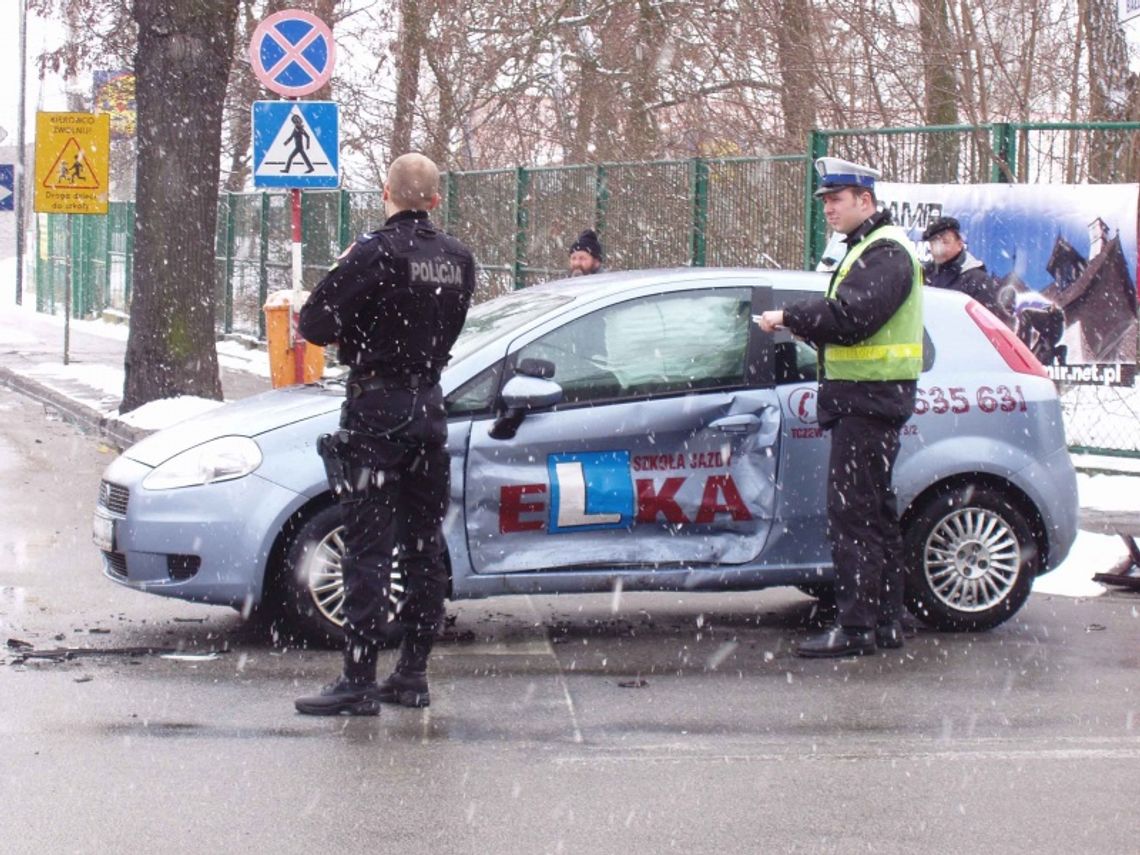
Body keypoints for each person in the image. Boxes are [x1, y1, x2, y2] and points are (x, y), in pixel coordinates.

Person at [294, 152, 476, 715]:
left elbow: (314, 323)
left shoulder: (374, 252)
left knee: (369, 547)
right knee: (423, 548)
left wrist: (359, 306)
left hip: (377, 410)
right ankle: (413, 674)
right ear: (436, 200)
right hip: (429, 409)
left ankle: (358, 679)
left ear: (385, 193)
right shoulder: (459, 259)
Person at [756, 157, 923, 657]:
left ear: (865, 201)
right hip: (866, 401)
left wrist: (790, 316)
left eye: (836, 200)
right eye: (825, 201)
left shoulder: (885, 252)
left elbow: (852, 317)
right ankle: (884, 622)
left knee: (853, 517)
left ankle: (855, 628)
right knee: (873, 516)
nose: (828, 208)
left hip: (868, 403)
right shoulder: (868, 249)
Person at [922, 216, 1012, 327]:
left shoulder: (978, 280)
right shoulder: (924, 274)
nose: (939, 247)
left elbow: (986, 325)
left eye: (945, 241)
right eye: (934, 243)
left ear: (960, 243)